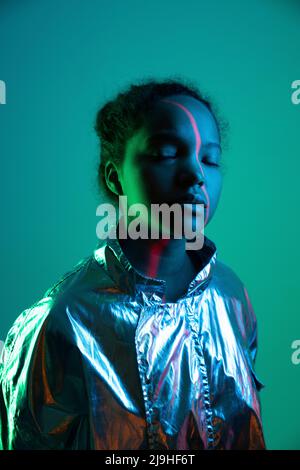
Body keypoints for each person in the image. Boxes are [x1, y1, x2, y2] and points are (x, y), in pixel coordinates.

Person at [0, 78, 266, 450]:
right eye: (166, 153)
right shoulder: (60, 323)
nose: (197, 175)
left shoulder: (232, 297)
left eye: (210, 158)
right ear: (115, 175)